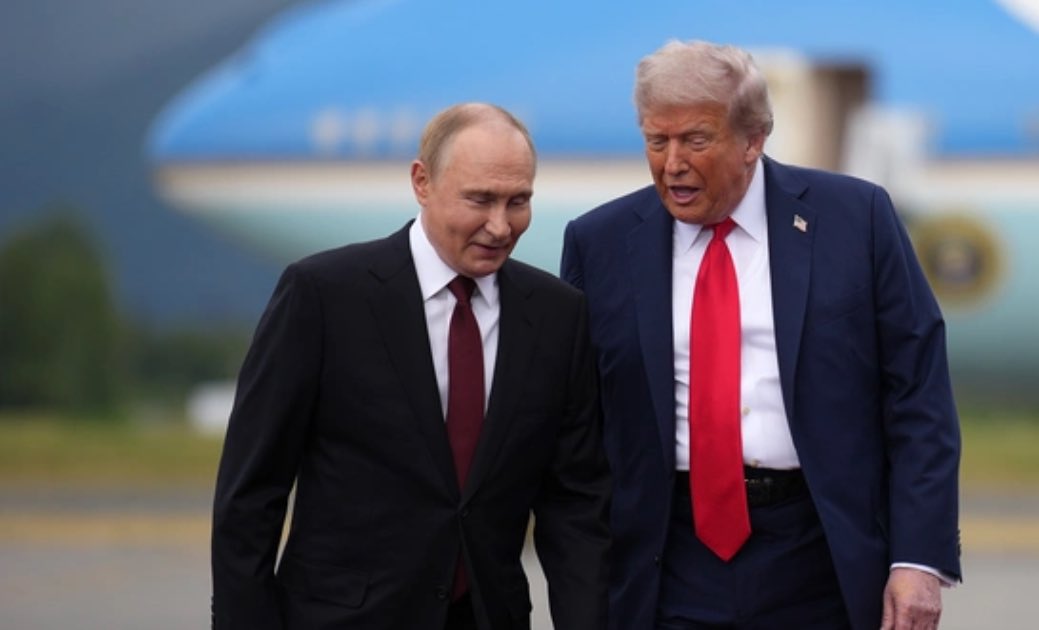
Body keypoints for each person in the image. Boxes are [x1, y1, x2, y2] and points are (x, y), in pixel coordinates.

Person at [560, 41, 961, 630]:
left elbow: (918, 397)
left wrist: (919, 559)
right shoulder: (601, 244)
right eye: (656, 140)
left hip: (818, 549)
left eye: (695, 140)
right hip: (668, 555)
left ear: (754, 139)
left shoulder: (855, 220)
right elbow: (577, 428)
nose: (672, 163)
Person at [212, 103, 610, 630]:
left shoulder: (559, 315)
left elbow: (575, 508)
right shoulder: (324, 296)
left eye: (519, 201)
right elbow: (252, 492)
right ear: (422, 182)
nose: (500, 225)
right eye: (480, 200)